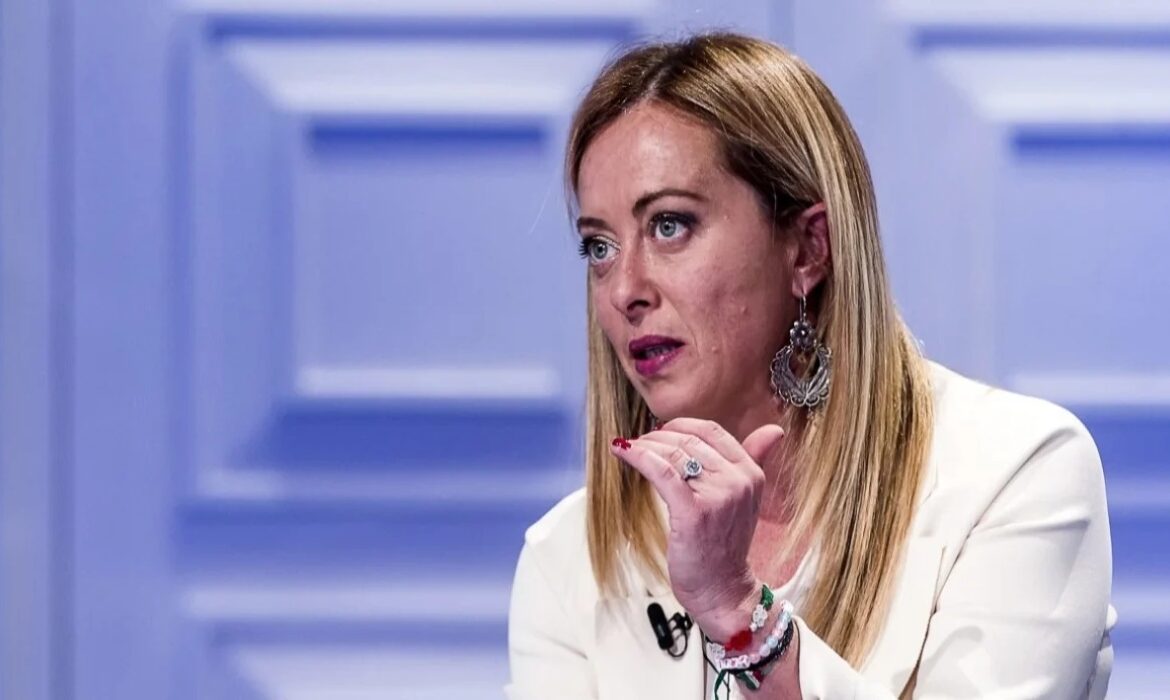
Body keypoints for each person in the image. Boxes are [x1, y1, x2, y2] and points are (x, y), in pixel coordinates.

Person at [504, 31, 1114, 699]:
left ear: (807, 249)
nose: (624, 290)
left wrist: (741, 615)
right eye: (599, 247)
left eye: (670, 225)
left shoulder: (1016, 475)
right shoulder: (568, 560)